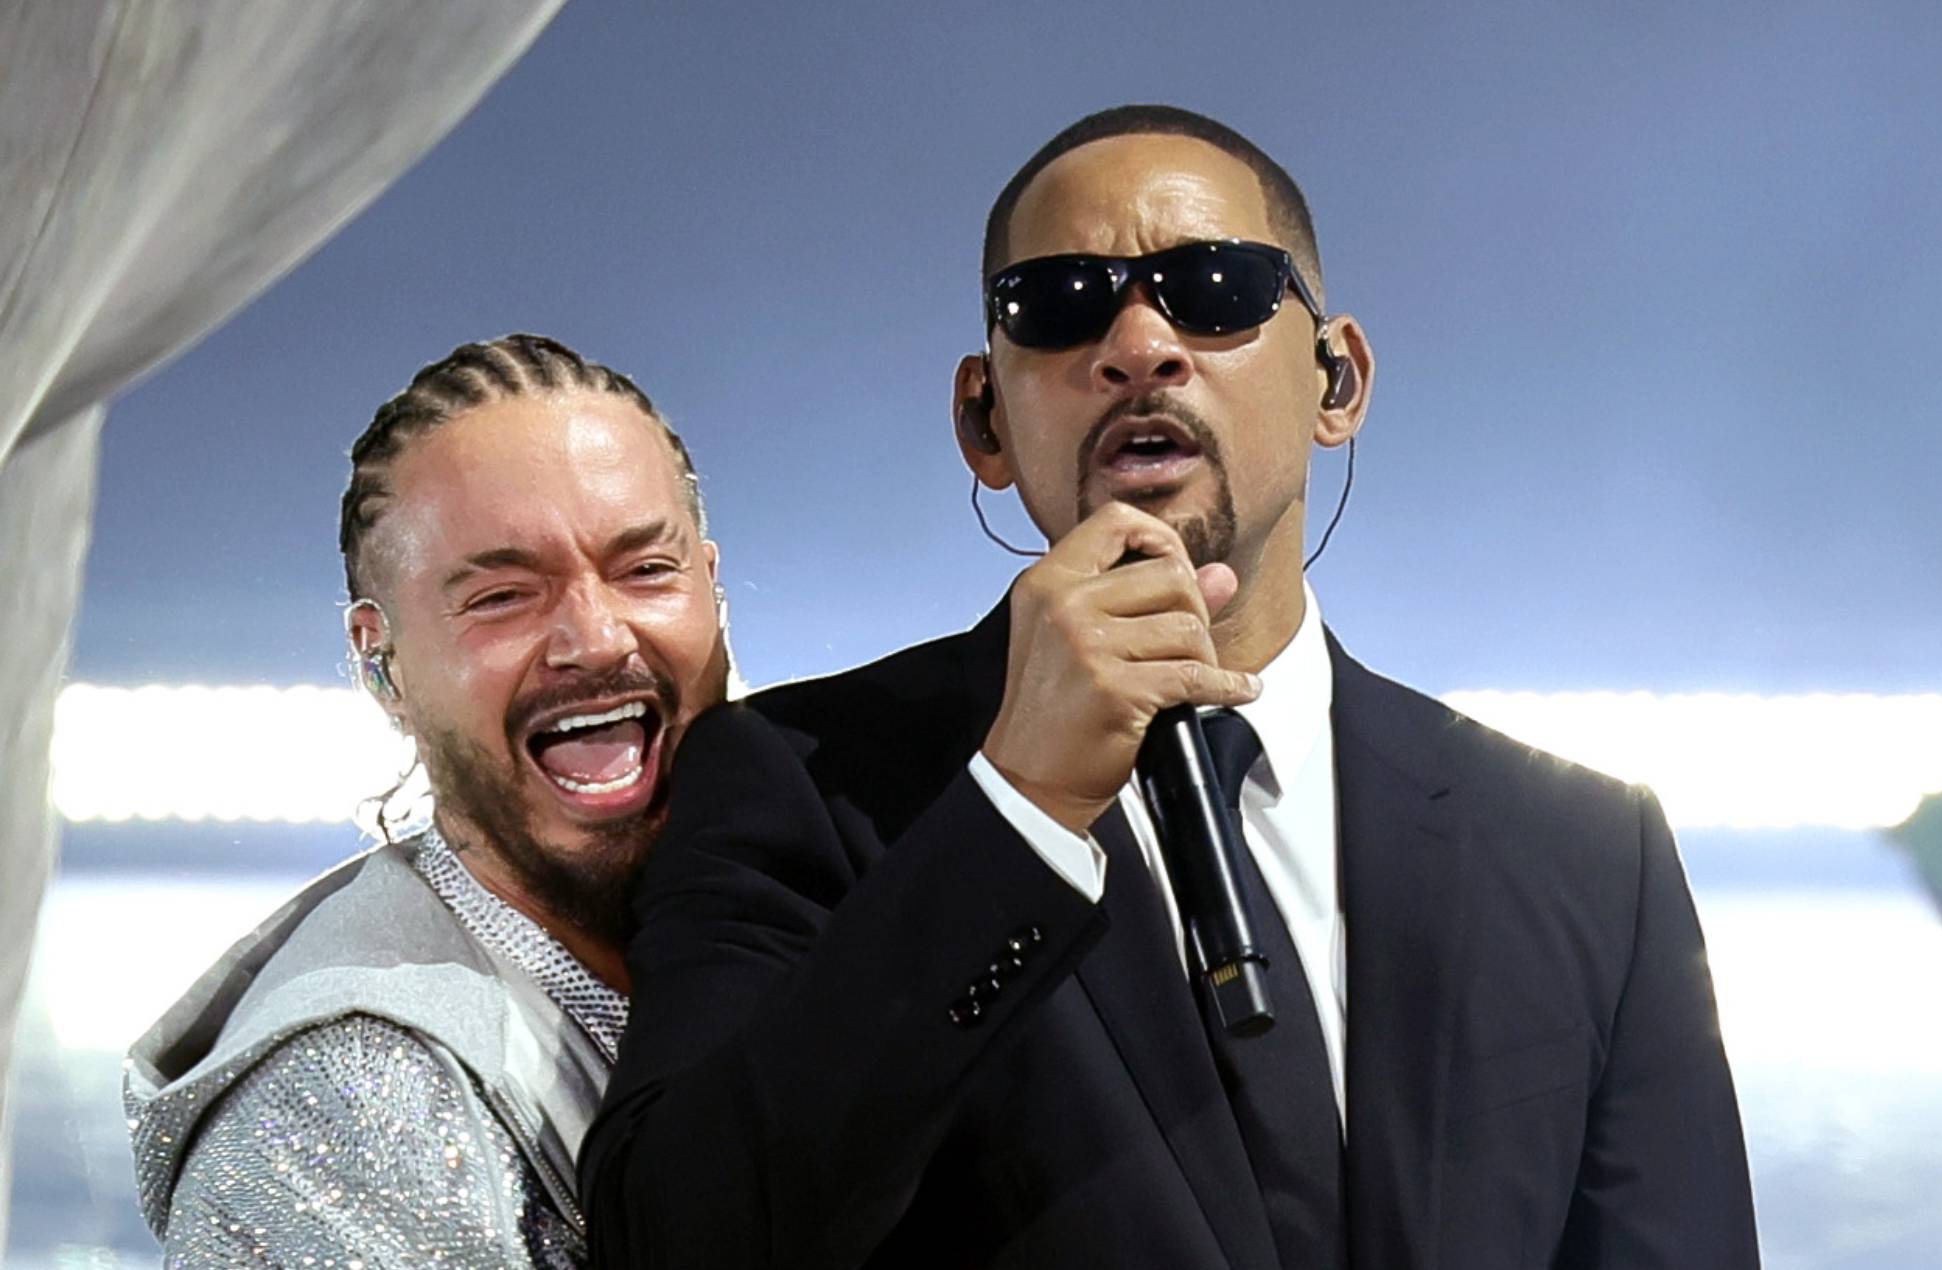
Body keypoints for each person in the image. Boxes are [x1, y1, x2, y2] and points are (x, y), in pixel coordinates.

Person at [584, 106, 1759, 1269]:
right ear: (981, 420)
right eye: (1058, 304)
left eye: (1216, 288)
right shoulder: (794, 783)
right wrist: (1018, 806)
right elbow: (681, 1237)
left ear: (1335, 379)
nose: (1139, 346)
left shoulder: (1587, 855)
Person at [125, 333, 730, 1267]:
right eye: (502, 596)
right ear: (384, 661)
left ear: (714, 589)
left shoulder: (835, 908)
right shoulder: (343, 1102)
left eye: (646, 570)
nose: (597, 638)